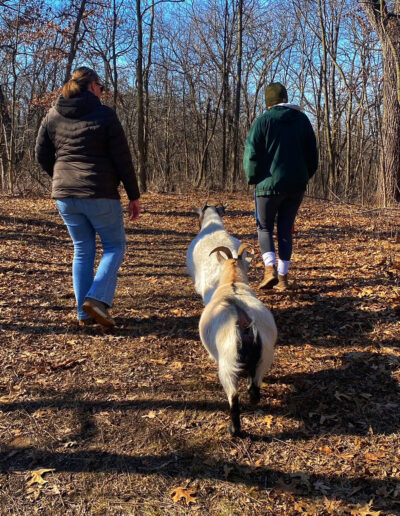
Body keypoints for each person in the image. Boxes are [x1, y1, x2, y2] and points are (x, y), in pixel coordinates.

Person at [35, 66, 141, 327]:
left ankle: (84, 314)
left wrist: (62, 177)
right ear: (92, 86)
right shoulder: (104, 115)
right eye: (101, 87)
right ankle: (95, 299)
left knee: (82, 250)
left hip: (66, 196)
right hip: (99, 192)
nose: (102, 91)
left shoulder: (52, 114)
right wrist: (133, 195)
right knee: (115, 246)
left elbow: (41, 154)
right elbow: (122, 159)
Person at [243, 82, 318, 291]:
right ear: (286, 99)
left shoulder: (263, 121)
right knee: (285, 228)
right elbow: (312, 155)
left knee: (264, 227)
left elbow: (251, 154)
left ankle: (270, 269)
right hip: (295, 186)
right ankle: (283, 278)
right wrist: (302, 177)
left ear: (268, 103)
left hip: (267, 186)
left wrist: (253, 178)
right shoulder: (302, 120)